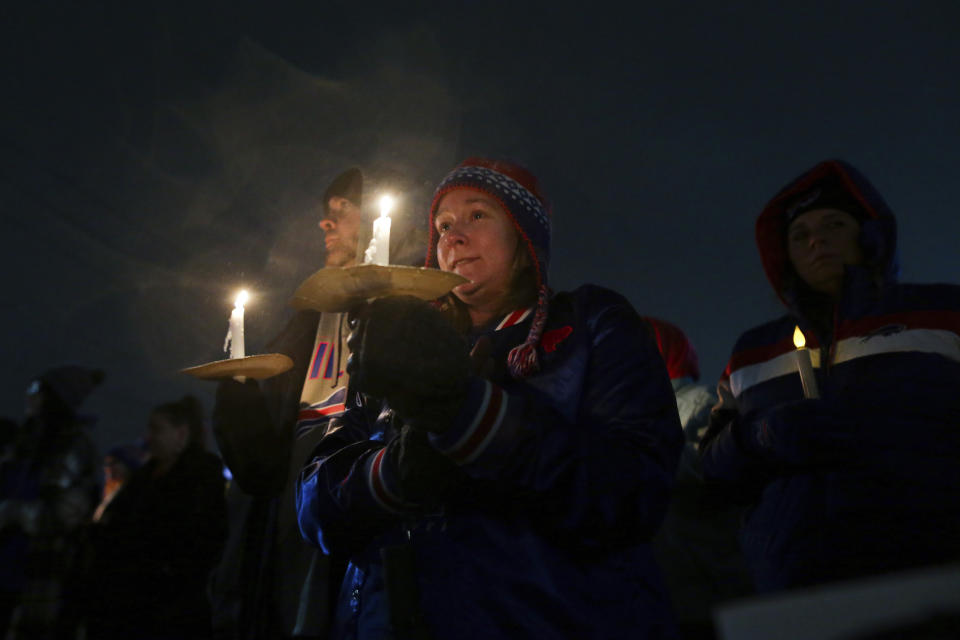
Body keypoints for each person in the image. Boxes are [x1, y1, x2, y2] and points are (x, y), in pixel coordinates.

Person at [297, 157, 684, 639]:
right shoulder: (395, 351)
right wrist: (392, 475)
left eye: (477, 216)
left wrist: (471, 418)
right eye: (442, 225)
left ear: (524, 235)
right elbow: (315, 510)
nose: (452, 237)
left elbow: (634, 492)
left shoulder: (593, 324)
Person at [699, 159, 960, 592]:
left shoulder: (943, 313)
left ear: (870, 234)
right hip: (794, 582)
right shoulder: (752, 351)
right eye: (800, 235)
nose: (817, 240)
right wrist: (759, 435)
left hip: (929, 573)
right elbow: (712, 469)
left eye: (834, 224)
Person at [210, 168, 368, 640]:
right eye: (324, 214)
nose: (326, 224)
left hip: (361, 531)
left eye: (340, 210)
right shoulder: (307, 319)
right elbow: (261, 466)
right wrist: (237, 389)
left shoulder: (410, 306)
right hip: (289, 535)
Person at [85, 395, 227, 640]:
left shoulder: (201, 476)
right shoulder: (145, 475)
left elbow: (202, 536)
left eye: (157, 429)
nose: (149, 437)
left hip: (171, 601)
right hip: (133, 596)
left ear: (181, 434)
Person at [644, 317, 752, 640]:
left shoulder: (700, 403)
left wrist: (635, 459)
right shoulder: (630, 414)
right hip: (665, 594)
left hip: (707, 588)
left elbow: (710, 468)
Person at [0, 365, 103, 639]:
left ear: (56, 398)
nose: (29, 396)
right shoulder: (23, 441)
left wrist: (11, 512)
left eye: (36, 390)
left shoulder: (76, 448)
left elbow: (64, 515)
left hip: (38, 576)